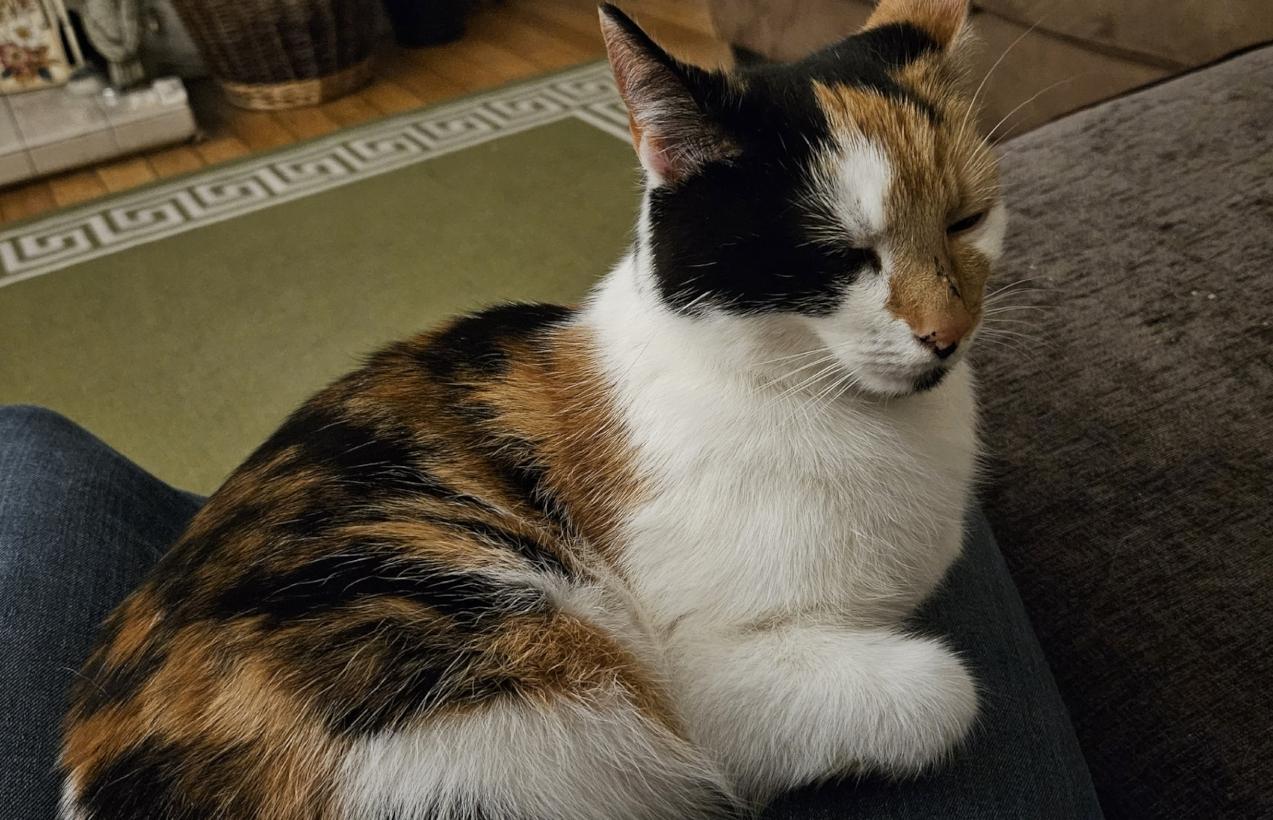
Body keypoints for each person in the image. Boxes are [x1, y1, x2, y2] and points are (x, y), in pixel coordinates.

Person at [0, 405, 1103, 819]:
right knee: (925, 668)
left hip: (276, 674)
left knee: (29, 446)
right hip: (361, 707)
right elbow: (721, 704)